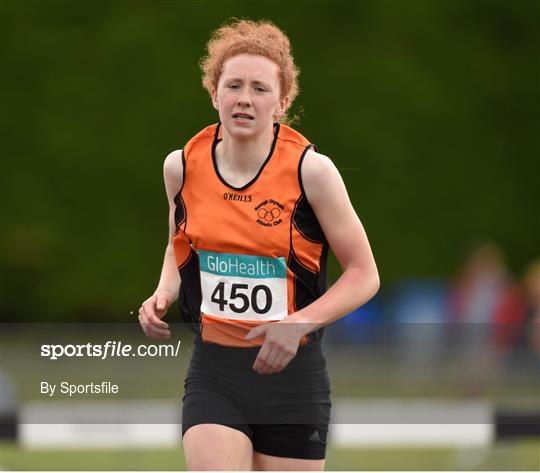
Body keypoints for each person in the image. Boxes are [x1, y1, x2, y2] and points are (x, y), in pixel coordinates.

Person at [138, 19, 379, 471]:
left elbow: (365, 275)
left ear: (282, 102)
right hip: (216, 372)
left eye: (259, 88)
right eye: (233, 85)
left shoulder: (313, 172)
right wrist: (164, 292)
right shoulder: (181, 166)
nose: (244, 98)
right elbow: (180, 243)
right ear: (214, 94)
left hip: (293, 375)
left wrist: (298, 323)